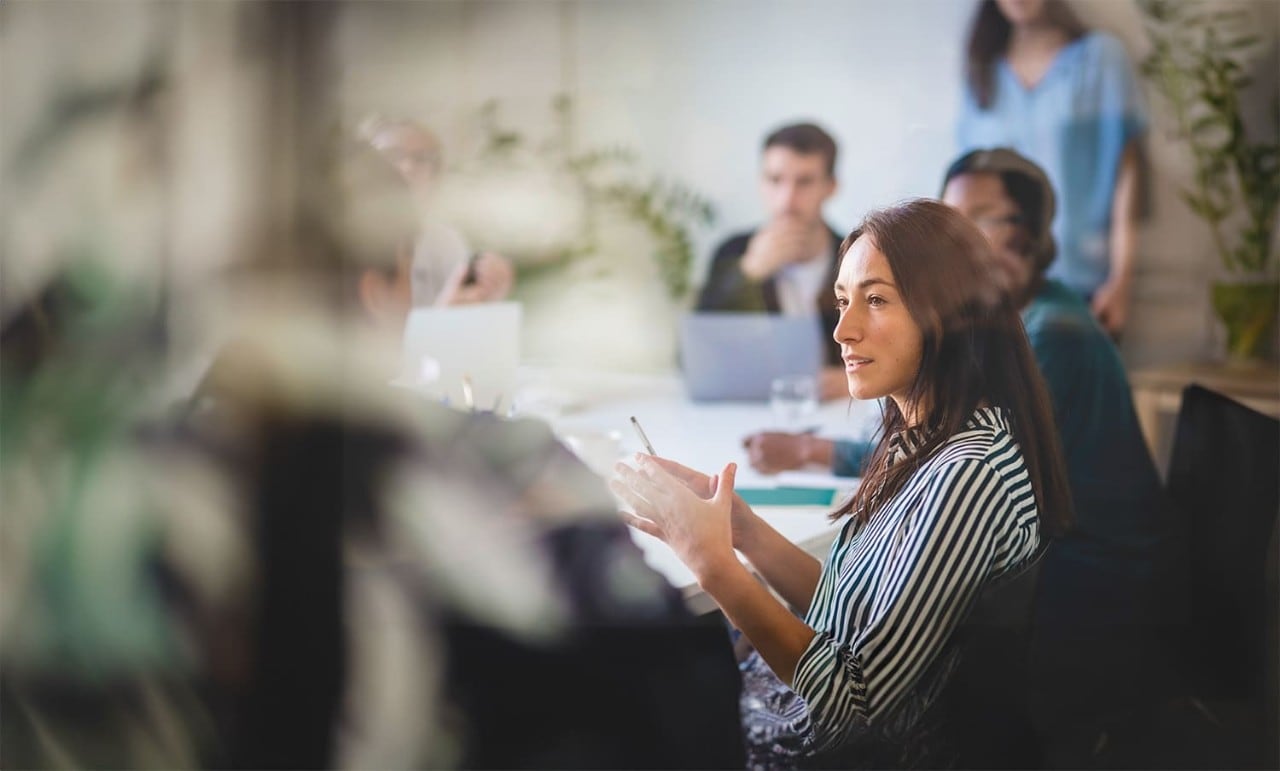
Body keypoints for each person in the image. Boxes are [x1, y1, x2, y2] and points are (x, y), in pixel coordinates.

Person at [613, 198, 1073, 767]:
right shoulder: (927, 435)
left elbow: (848, 702)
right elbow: (847, 610)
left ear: (949, 316)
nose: (842, 330)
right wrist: (743, 531)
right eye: (841, 301)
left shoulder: (965, 474)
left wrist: (712, 566)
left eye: (875, 300)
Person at [744, 148, 1175, 739]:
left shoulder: (1049, 341)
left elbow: (858, 695)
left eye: (978, 220)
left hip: (1088, 580)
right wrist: (738, 532)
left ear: (1029, 236)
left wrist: (725, 550)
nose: (955, 240)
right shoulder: (946, 414)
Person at [957, 0, 1147, 336]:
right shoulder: (983, 71)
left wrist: (1122, 280)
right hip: (1001, 289)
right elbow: (967, 194)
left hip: (1085, 283)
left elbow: (1127, 175)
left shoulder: (1099, 59)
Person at [696, 122, 847, 399]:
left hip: (838, 413)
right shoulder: (733, 252)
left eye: (804, 182)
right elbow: (697, 350)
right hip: (745, 410)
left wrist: (854, 380)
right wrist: (747, 274)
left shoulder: (854, 256)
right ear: (760, 182)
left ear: (831, 186)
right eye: (775, 180)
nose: (787, 200)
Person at [361, 116, 515, 308]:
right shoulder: (342, 243)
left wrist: (485, 293)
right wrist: (441, 318)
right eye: (392, 155)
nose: (406, 167)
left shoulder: (445, 243)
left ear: (436, 175)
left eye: (421, 159)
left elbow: (461, 315)